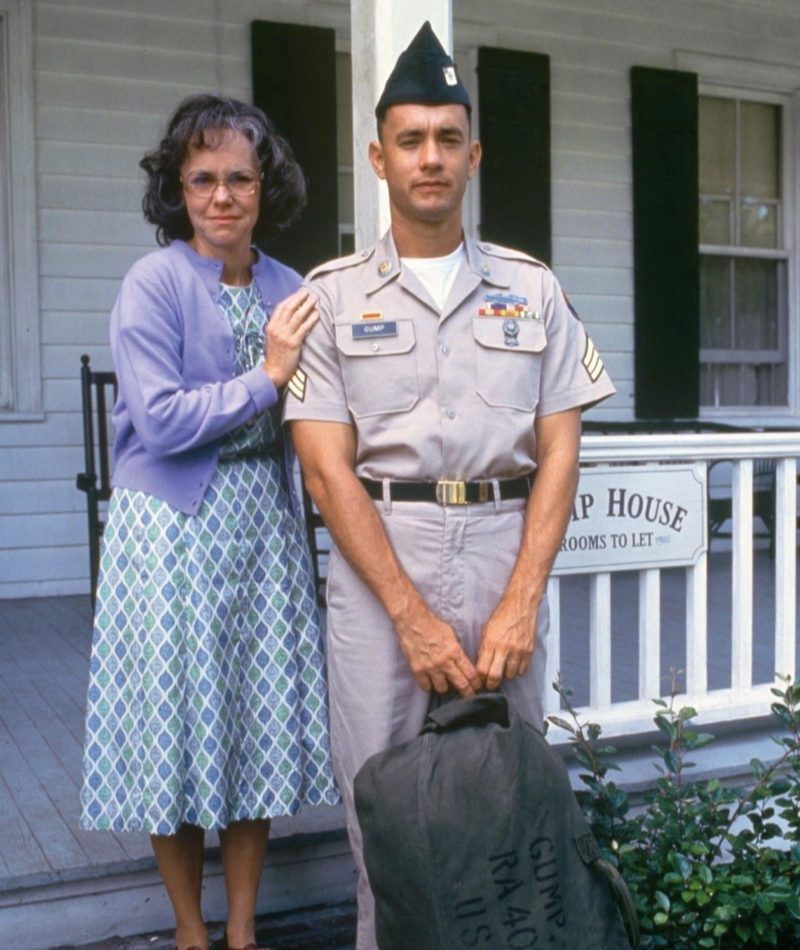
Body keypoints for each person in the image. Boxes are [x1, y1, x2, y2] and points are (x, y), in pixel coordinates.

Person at [284, 22, 616, 950]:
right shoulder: (333, 296)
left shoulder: (533, 289)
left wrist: (521, 602)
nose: (429, 158)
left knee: (510, 815)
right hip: (383, 560)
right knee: (382, 816)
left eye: (446, 139)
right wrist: (411, 615)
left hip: (507, 550)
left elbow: (560, 450)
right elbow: (325, 469)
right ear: (378, 157)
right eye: (409, 139)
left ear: (474, 154)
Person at [80, 93, 339, 950]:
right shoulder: (152, 283)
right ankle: (192, 932)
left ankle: (243, 934)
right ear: (177, 189)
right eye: (202, 179)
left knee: (251, 726)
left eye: (240, 178)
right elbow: (158, 421)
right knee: (177, 732)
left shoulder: (291, 288)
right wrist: (267, 378)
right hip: (170, 538)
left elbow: (327, 407)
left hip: (263, 528)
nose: (222, 196)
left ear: (267, 188)